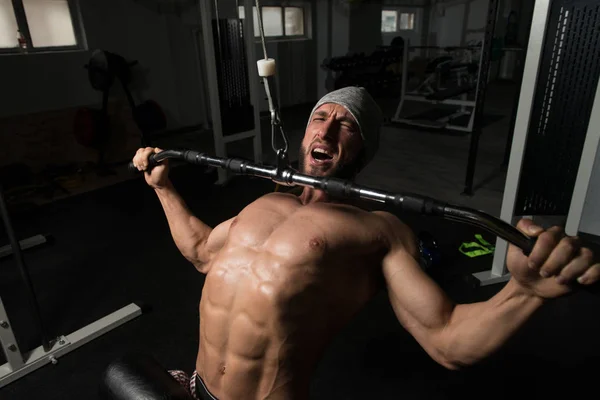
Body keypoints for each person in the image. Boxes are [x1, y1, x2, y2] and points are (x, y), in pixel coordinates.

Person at [132, 86, 599, 400]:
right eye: (321, 117)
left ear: (361, 149)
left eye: (347, 125)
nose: (327, 130)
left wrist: (525, 292)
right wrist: (163, 188)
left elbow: (448, 338)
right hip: (194, 390)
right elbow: (200, 253)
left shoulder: (378, 232)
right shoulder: (261, 207)